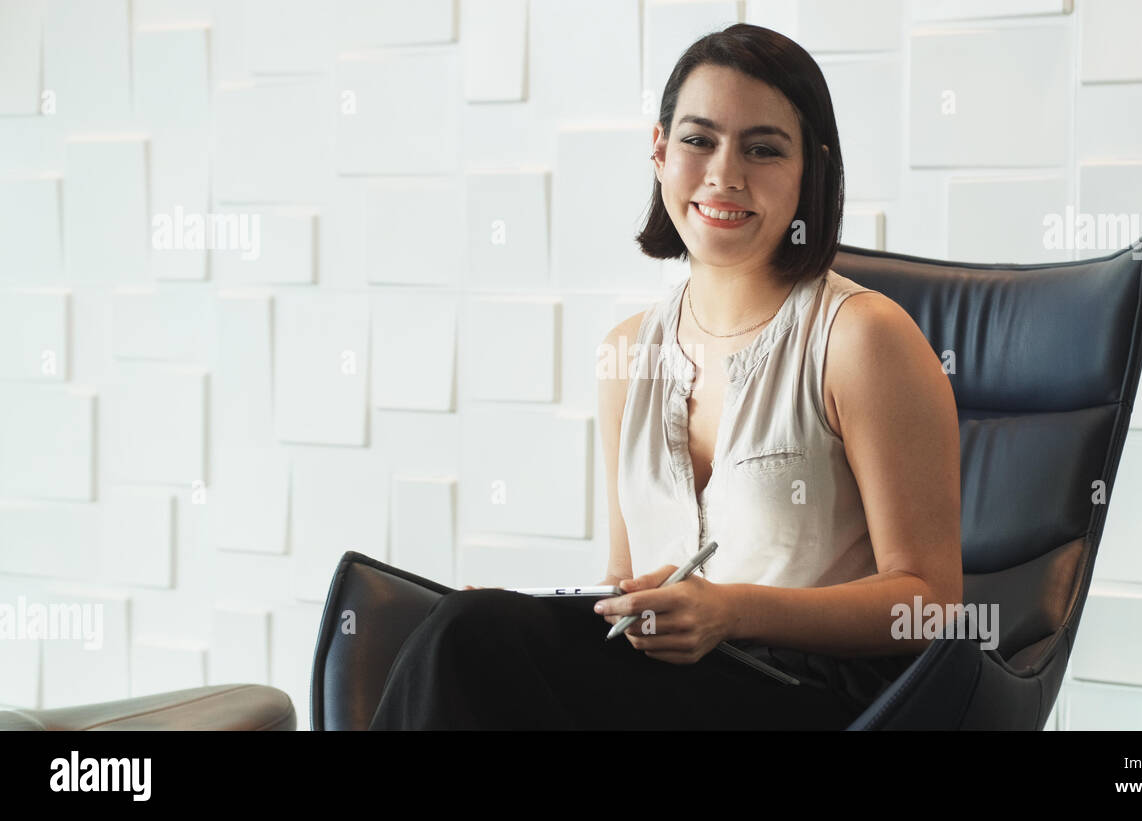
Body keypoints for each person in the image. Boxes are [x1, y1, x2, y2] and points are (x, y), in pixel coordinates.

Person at [368, 23, 962, 731]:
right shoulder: (628, 355)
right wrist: (538, 613)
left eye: (764, 148)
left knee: (471, 641)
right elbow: (627, 581)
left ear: (812, 170)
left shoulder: (862, 338)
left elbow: (929, 604)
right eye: (698, 140)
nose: (725, 174)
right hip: (671, 693)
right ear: (659, 151)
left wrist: (733, 609)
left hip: (811, 696)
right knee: (463, 632)